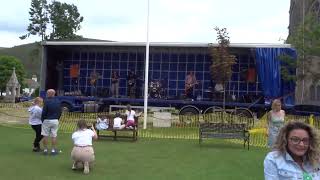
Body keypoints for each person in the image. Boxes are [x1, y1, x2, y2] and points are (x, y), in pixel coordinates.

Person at [41, 89, 62, 155]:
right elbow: (60, 112)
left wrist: (43, 119)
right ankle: (53, 150)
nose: (47, 94)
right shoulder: (58, 101)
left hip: (47, 119)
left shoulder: (46, 101)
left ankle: (45, 150)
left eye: (47, 93)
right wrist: (57, 118)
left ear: (50, 94)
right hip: (55, 120)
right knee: (54, 136)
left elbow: (44, 112)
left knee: (45, 135)